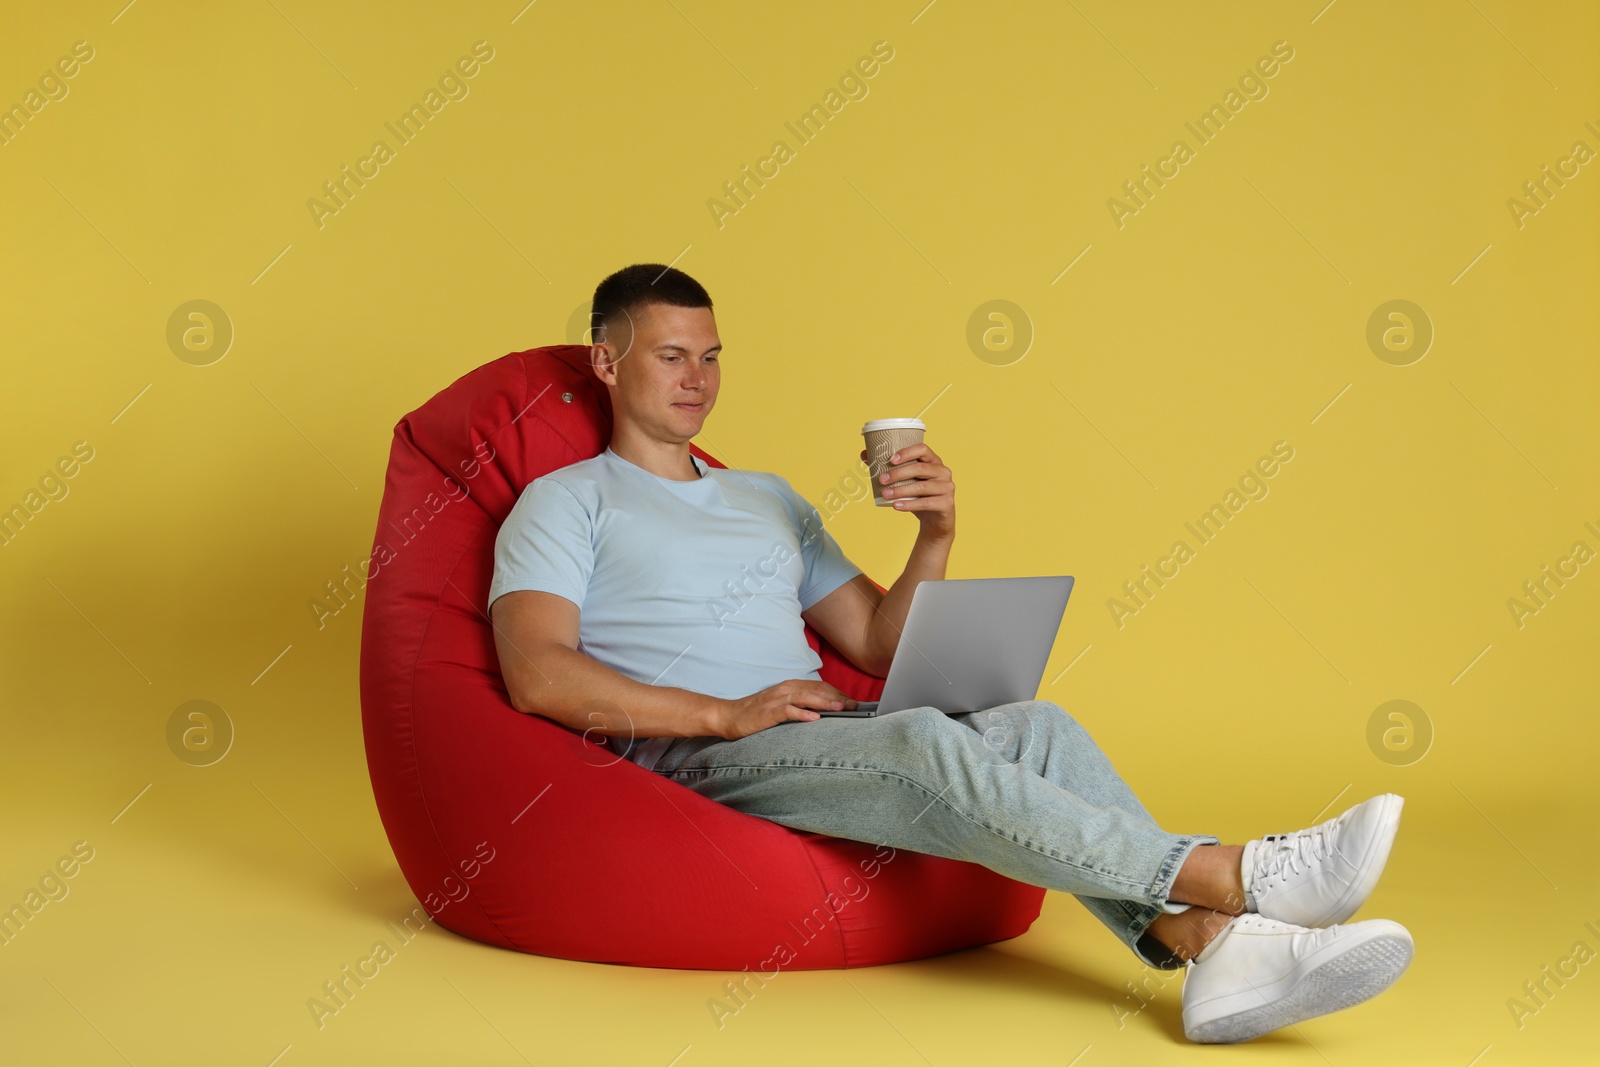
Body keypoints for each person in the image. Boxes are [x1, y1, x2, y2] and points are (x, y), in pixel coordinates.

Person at [487, 263, 1413, 1044]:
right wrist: (725, 713)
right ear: (607, 362)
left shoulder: (765, 498)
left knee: (1034, 725)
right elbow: (536, 670)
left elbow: (877, 645)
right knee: (923, 740)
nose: (699, 378)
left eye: (714, 356)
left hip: (817, 727)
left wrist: (935, 533)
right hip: (702, 753)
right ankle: (1238, 874)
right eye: (672, 355)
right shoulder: (566, 503)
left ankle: (1211, 948)